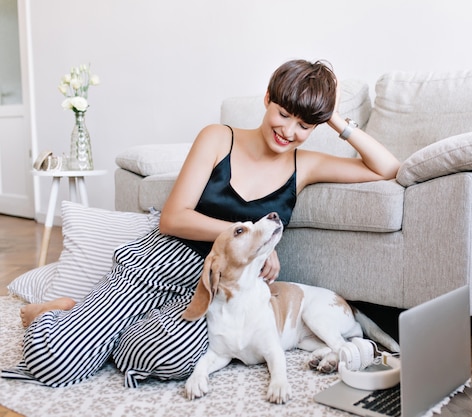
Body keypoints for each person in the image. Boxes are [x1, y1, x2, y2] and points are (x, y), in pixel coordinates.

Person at [2, 59, 400, 388]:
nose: (288, 131)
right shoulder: (217, 138)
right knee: (56, 364)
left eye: (303, 125)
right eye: (282, 113)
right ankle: (57, 313)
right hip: (157, 264)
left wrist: (335, 121)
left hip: (218, 290)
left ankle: (99, 330)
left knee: (172, 359)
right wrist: (250, 236)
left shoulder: (306, 164)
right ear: (266, 98)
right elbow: (173, 219)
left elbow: (387, 167)